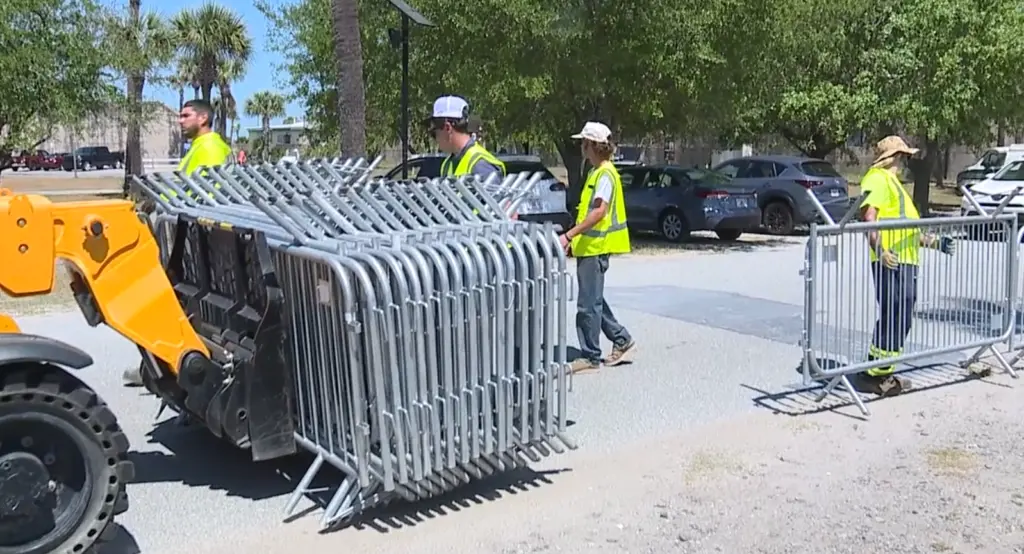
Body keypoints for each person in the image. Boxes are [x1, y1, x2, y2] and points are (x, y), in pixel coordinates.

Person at [124, 99, 232, 387]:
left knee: (187, 301)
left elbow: (205, 193)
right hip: (191, 234)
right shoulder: (199, 147)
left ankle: (179, 364)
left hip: (202, 237)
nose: (180, 120)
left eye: (186, 115)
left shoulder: (209, 148)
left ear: (204, 118)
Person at [853, 135, 955, 396]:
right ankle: (873, 374)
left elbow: (907, 230)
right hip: (891, 261)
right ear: (894, 157)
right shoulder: (877, 178)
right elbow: (869, 217)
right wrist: (880, 249)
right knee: (894, 316)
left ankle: (883, 371)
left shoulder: (895, 185)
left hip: (905, 261)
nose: (906, 161)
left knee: (901, 317)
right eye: (904, 156)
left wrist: (934, 243)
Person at [560, 121, 636, 374]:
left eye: (584, 143)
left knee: (587, 305)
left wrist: (569, 236)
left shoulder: (604, 174)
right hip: (590, 246)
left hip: (596, 248)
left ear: (592, 145)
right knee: (594, 301)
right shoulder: (598, 172)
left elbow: (598, 212)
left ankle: (590, 355)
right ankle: (621, 339)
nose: (581, 147)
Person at [427, 95, 505, 179]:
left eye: (434, 132)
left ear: (447, 128)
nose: (434, 138)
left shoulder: (481, 165)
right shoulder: (448, 164)